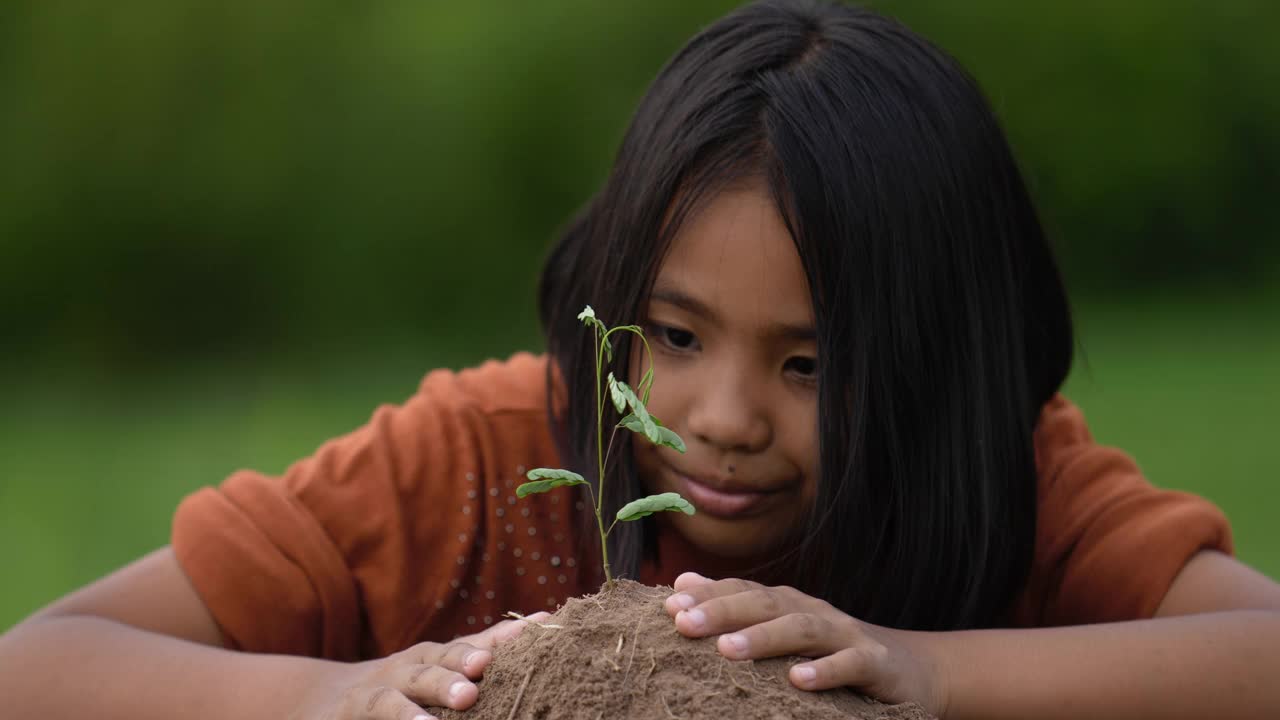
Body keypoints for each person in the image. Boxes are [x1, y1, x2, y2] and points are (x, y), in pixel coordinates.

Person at [2, 1, 1278, 718]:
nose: (719, 418)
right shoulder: (477, 467)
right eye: (672, 337)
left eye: (811, 365)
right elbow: (39, 666)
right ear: (608, 312)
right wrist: (322, 702)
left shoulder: (1005, 482)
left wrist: (935, 669)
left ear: (945, 369)